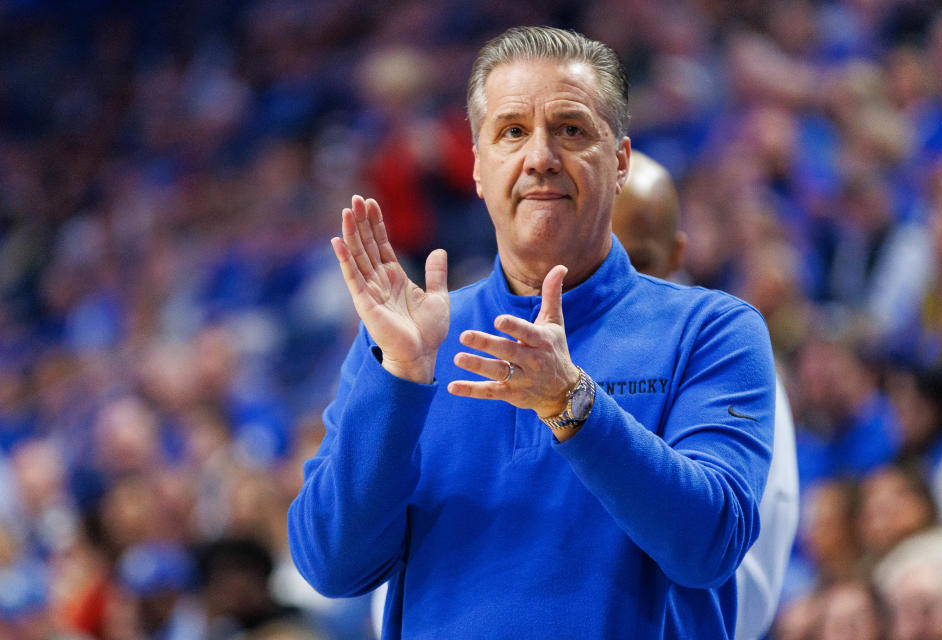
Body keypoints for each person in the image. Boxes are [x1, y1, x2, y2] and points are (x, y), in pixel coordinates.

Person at [288, 26, 776, 639]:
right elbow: (330, 564)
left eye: (571, 130)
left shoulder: (714, 331)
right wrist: (401, 378)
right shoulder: (408, 339)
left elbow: (709, 546)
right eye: (512, 132)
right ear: (477, 168)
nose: (540, 156)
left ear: (619, 161)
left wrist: (572, 403)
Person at [612, 150, 800, 640]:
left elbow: (751, 574)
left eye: (638, 260)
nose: (619, 278)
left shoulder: (732, 358)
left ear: (678, 253)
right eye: (601, 257)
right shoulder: (548, 352)